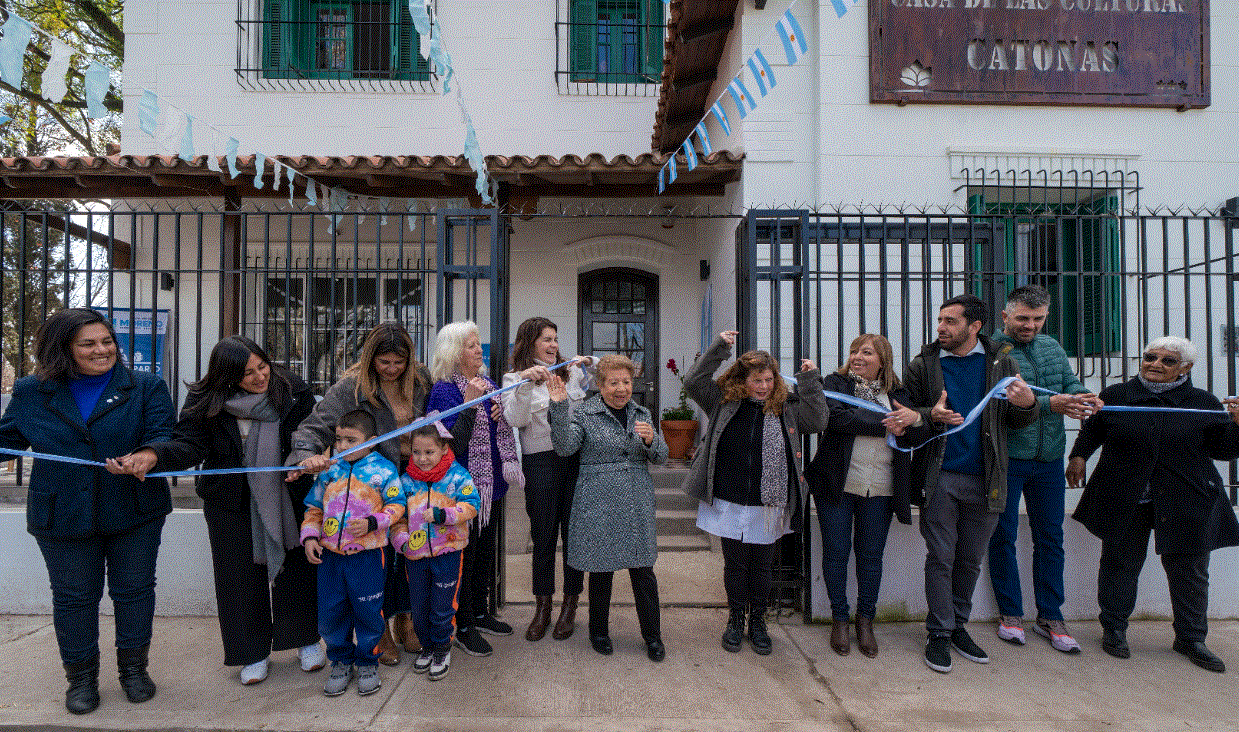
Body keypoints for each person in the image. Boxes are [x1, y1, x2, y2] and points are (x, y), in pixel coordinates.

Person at [110, 335, 324, 685]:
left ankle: (305, 640)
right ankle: (251, 653)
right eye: (246, 373)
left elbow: (308, 434)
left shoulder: (291, 390)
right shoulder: (205, 398)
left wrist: (304, 459)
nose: (259, 377)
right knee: (237, 576)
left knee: (297, 566)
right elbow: (189, 444)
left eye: (262, 366)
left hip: (288, 494)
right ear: (226, 377)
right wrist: (152, 455)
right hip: (229, 499)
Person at [0, 308, 175, 714]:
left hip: (135, 509)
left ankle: (134, 670)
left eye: (107, 341)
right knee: (75, 598)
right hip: (62, 513)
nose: (102, 350)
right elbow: (8, 439)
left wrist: (150, 454)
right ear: (64, 350)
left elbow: (165, 436)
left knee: (134, 592)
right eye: (88, 344)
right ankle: (80, 680)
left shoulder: (145, 386)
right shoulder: (32, 391)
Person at [1068, 336, 1239, 673]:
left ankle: (1191, 638)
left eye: (1168, 360)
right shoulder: (1116, 395)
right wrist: (1078, 456)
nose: (1156, 364)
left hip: (1185, 500)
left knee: (1189, 571)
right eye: (1151, 357)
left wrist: (1237, 424)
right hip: (1125, 496)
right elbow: (1094, 431)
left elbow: (1224, 450)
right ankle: (1114, 629)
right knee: (1119, 564)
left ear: (1185, 368)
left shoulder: (1201, 402)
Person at [900, 294, 1037, 674]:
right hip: (940, 476)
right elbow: (907, 416)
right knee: (941, 557)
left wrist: (1027, 404)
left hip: (988, 479)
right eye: (940, 320)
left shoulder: (1002, 364)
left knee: (970, 559)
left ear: (974, 326)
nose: (941, 327)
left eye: (950, 321)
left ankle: (959, 625)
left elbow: (1017, 420)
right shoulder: (923, 366)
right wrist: (930, 415)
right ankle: (939, 633)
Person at [288, 322, 432, 664]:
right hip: (372, 487)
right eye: (384, 362)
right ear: (370, 359)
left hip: (413, 480)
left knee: (411, 550)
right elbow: (314, 426)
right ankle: (379, 628)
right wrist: (305, 455)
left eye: (399, 363)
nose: (392, 369)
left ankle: (406, 621)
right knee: (379, 559)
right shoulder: (351, 387)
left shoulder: (421, 382)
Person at [681, 331, 826, 656]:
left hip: (770, 503)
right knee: (734, 565)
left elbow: (818, 420)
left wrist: (810, 380)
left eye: (768, 379)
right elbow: (692, 382)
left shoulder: (786, 408)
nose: (763, 386)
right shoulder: (723, 403)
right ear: (742, 380)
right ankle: (735, 618)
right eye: (757, 380)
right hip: (728, 499)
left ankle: (757, 621)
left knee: (762, 566)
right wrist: (719, 348)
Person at [986, 285, 1102, 654]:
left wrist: (1084, 395)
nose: (1030, 326)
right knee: (1001, 535)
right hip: (1007, 459)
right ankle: (1010, 614)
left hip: (1049, 458)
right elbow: (996, 403)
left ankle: (1051, 615)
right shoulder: (992, 351)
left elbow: (1067, 384)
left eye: (1037, 319)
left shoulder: (1051, 347)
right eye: (1022, 318)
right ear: (1005, 317)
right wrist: (1054, 404)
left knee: (1051, 538)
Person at [804, 334, 919, 658]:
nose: (857, 356)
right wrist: (887, 425)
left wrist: (914, 419)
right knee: (836, 554)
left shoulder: (898, 392)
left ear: (882, 359)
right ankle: (840, 619)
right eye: (854, 351)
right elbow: (838, 418)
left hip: (880, 489)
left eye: (866, 352)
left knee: (870, 559)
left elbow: (915, 428)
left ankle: (864, 621)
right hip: (837, 486)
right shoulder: (835, 383)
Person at [548, 354, 670, 662]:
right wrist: (560, 406)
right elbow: (564, 447)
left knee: (643, 571)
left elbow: (662, 457)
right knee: (602, 571)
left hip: (635, 502)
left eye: (626, 382)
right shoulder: (585, 413)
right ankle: (598, 633)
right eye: (613, 382)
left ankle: (653, 637)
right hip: (598, 502)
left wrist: (652, 439)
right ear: (600, 385)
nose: (621, 389)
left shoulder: (643, 413)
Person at [427, 320, 524, 658]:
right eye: (471, 345)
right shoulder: (443, 391)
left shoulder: (488, 384)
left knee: (485, 553)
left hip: (492, 486)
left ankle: (481, 612)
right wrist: (469, 404)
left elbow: (504, 427)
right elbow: (448, 446)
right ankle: (463, 623)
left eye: (479, 343)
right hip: (462, 491)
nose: (479, 350)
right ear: (454, 353)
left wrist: (500, 412)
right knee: (464, 558)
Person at [501, 317, 595, 642]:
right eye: (546, 339)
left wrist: (589, 362)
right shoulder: (513, 378)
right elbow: (516, 418)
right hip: (540, 463)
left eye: (555, 339)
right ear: (530, 343)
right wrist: (526, 383)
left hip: (575, 462)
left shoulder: (571, 373)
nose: (554, 345)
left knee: (574, 537)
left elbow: (605, 381)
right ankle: (543, 607)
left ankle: (570, 605)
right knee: (543, 538)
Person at [300, 410, 406, 696]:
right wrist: (310, 536)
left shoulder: (384, 471)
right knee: (332, 611)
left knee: (368, 610)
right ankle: (340, 661)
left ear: (371, 442)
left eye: (351, 440)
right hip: (331, 557)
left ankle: (368, 660)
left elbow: (397, 506)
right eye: (338, 439)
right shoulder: (330, 470)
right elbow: (314, 508)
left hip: (368, 556)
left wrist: (374, 522)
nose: (343, 446)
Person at [392, 421, 481, 680]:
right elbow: (397, 518)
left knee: (442, 607)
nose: (422, 459)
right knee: (419, 609)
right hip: (416, 557)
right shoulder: (405, 482)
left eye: (429, 452)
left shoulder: (457, 476)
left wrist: (445, 515)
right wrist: (402, 541)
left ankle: (442, 648)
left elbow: (471, 504)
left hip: (448, 553)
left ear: (444, 449)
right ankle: (427, 647)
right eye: (416, 452)